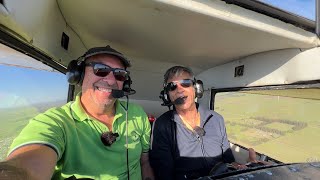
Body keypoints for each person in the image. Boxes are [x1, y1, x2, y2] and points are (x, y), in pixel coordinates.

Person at [1, 45, 154, 180]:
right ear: (78, 75)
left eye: (119, 74)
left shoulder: (137, 114)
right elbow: (25, 167)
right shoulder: (57, 122)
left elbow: (144, 161)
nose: (111, 80)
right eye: (101, 70)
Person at [149, 66, 245, 180]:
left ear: (196, 88)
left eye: (185, 83)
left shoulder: (216, 119)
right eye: (172, 86)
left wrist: (244, 168)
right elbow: (164, 174)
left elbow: (228, 160)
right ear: (167, 95)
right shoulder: (162, 125)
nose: (179, 89)